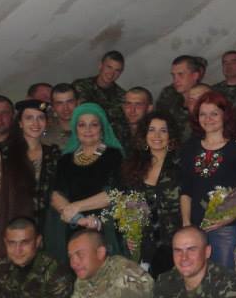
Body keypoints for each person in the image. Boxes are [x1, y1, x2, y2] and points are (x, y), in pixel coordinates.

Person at [61, 111, 181, 277]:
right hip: (143, 247)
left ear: (171, 136)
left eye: (163, 130)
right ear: (144, 134)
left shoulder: (180, 164)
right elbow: (115, 195)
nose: (157, 135)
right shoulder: (132, 165)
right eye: (151, 130)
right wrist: (130, 233)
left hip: (177, 245)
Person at [45, 103, 125, 263]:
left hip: (104, 229)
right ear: (75, 129)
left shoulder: (114, 156)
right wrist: (78, 218)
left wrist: (77, 206)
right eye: (82, 125)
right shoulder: (65, 160)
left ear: (102, 128)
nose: (88, 130)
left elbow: (115, 193)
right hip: (72, 227)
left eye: (94, 124)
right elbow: (56, 195)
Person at [179, 91, 236, 269]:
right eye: (203, 114)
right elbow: (186, 189)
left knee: (224, 277)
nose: (208, 119)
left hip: (226, 229)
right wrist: (187, 224)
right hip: (195, 227)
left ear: (225, 116)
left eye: (214, 114)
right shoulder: (189, 148)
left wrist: (227, 218)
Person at [0, 100, 61, 260]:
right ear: (20, 123)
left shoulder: (54, 154)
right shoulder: (4, 154)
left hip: (47, 229)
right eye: (29, 118)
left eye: (40, 118)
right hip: (14, 229)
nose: (35, 123)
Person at [72, 50, 128, 141]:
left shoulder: (123, 96)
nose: (111, 73)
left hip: (111, 143)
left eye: (117, 70)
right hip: (83, 140)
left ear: (121, 73)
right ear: (100, 66)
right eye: (109, 67)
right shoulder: (81, 86)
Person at [157, 55, 205, 145]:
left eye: (180, 74)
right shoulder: (170, 99)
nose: (175, 80)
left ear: (195, 75)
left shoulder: (207, 100)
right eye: (173, 75)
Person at [42, 83, 77, 148]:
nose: (66, 108)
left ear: (77, 103)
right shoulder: (46, 135)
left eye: (70, 102)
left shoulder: (91, 129)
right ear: (53, 107)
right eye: (59, 103)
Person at [121, 86, 154, 151]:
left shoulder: (157, 133)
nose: (132, 110)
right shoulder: (111, 130)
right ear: (123, 107)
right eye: (128, 104)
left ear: (149, 108)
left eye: (138, 105)